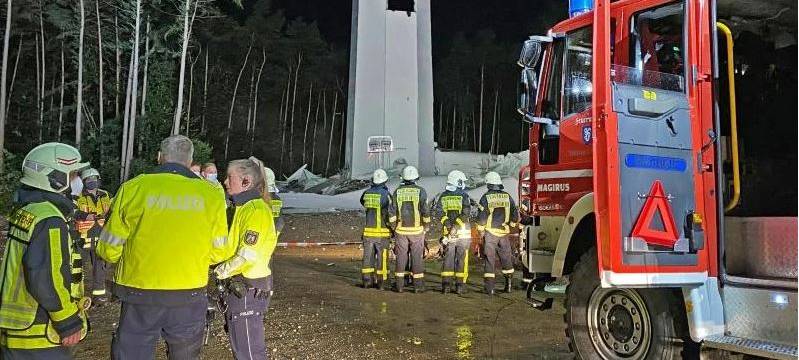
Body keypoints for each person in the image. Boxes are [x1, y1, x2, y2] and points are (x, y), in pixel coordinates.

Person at [96, 135, 232, 360]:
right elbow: (220, 251)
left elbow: (109, 248)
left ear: (159, 157)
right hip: (189, 293)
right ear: (190, 162)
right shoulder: (211, 195)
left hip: (139, 292)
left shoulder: (134, 188)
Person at [0, 143, 89, 359]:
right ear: (56, 179)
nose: (78, 181)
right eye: (74, 175)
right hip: (40, 333)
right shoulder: (50, 219)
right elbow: (47, 276)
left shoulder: (29, 210)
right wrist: (68, 322)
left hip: (18, 330)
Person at [215, 158, 278, 360]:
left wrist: (220, 270)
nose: (225, 182)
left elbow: (246, 255)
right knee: (242, 349)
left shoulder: (256, 211)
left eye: (229, 177)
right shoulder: (242, 208)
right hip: (241, 287)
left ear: (246, 181)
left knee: (249, 352)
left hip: (247, 288)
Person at [476, 172, 520, 295]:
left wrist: (480, 230)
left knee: (490, 260)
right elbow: (514, 215)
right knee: (506, 259)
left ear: (489, 184)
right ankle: (509, 285)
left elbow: (482, 217)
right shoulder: (507, 196)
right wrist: (509, 227)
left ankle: (490, 288)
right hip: (504, 234)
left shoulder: (486, 197)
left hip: (490, 234)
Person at [388, 165, 430, 293]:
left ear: (403, 178)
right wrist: (426, 226)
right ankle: (418, 286)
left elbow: (392, 212)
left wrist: (393, 227)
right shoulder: (421, 191)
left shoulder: (397, 191)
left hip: (401, 231)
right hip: (417, 231)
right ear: (416, 178)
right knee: (417, 257)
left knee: (401, 257)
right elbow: (425, 210)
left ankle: (400, 285)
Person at [74, 168, 113, 303]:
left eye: (94, 179)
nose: (92, 182)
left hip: (100, 238)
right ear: (84, 182)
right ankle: (75, 296)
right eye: (89, 180)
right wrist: (85, 215)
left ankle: (98, 296)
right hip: (82, 238)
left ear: (98, 180)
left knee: (100, 268)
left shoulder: (105, 195)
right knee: (77, 268)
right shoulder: (78, 196)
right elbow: (72, 211)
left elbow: (112, 211)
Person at [435, 170, 472, 295]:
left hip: (449, 235)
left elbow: (439, 212)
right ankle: (460, 286)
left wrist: (448, 224)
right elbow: (466, 213)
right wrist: (456, 225)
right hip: (463, 234)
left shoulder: (443, 196)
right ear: (458, 182)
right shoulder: (464, 196)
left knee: (448, 259)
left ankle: (446, 285)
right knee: (461, 259)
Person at [359, 169, 393, 289]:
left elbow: (363, 202)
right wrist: (392, 228)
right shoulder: (386, 195)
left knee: (368, 257)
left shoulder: (366, 193)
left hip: (368, 232)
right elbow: (390, 213)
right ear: (385, 181)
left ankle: (367, 281)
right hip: (382, 233)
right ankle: (382, 282)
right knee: (382, 258)